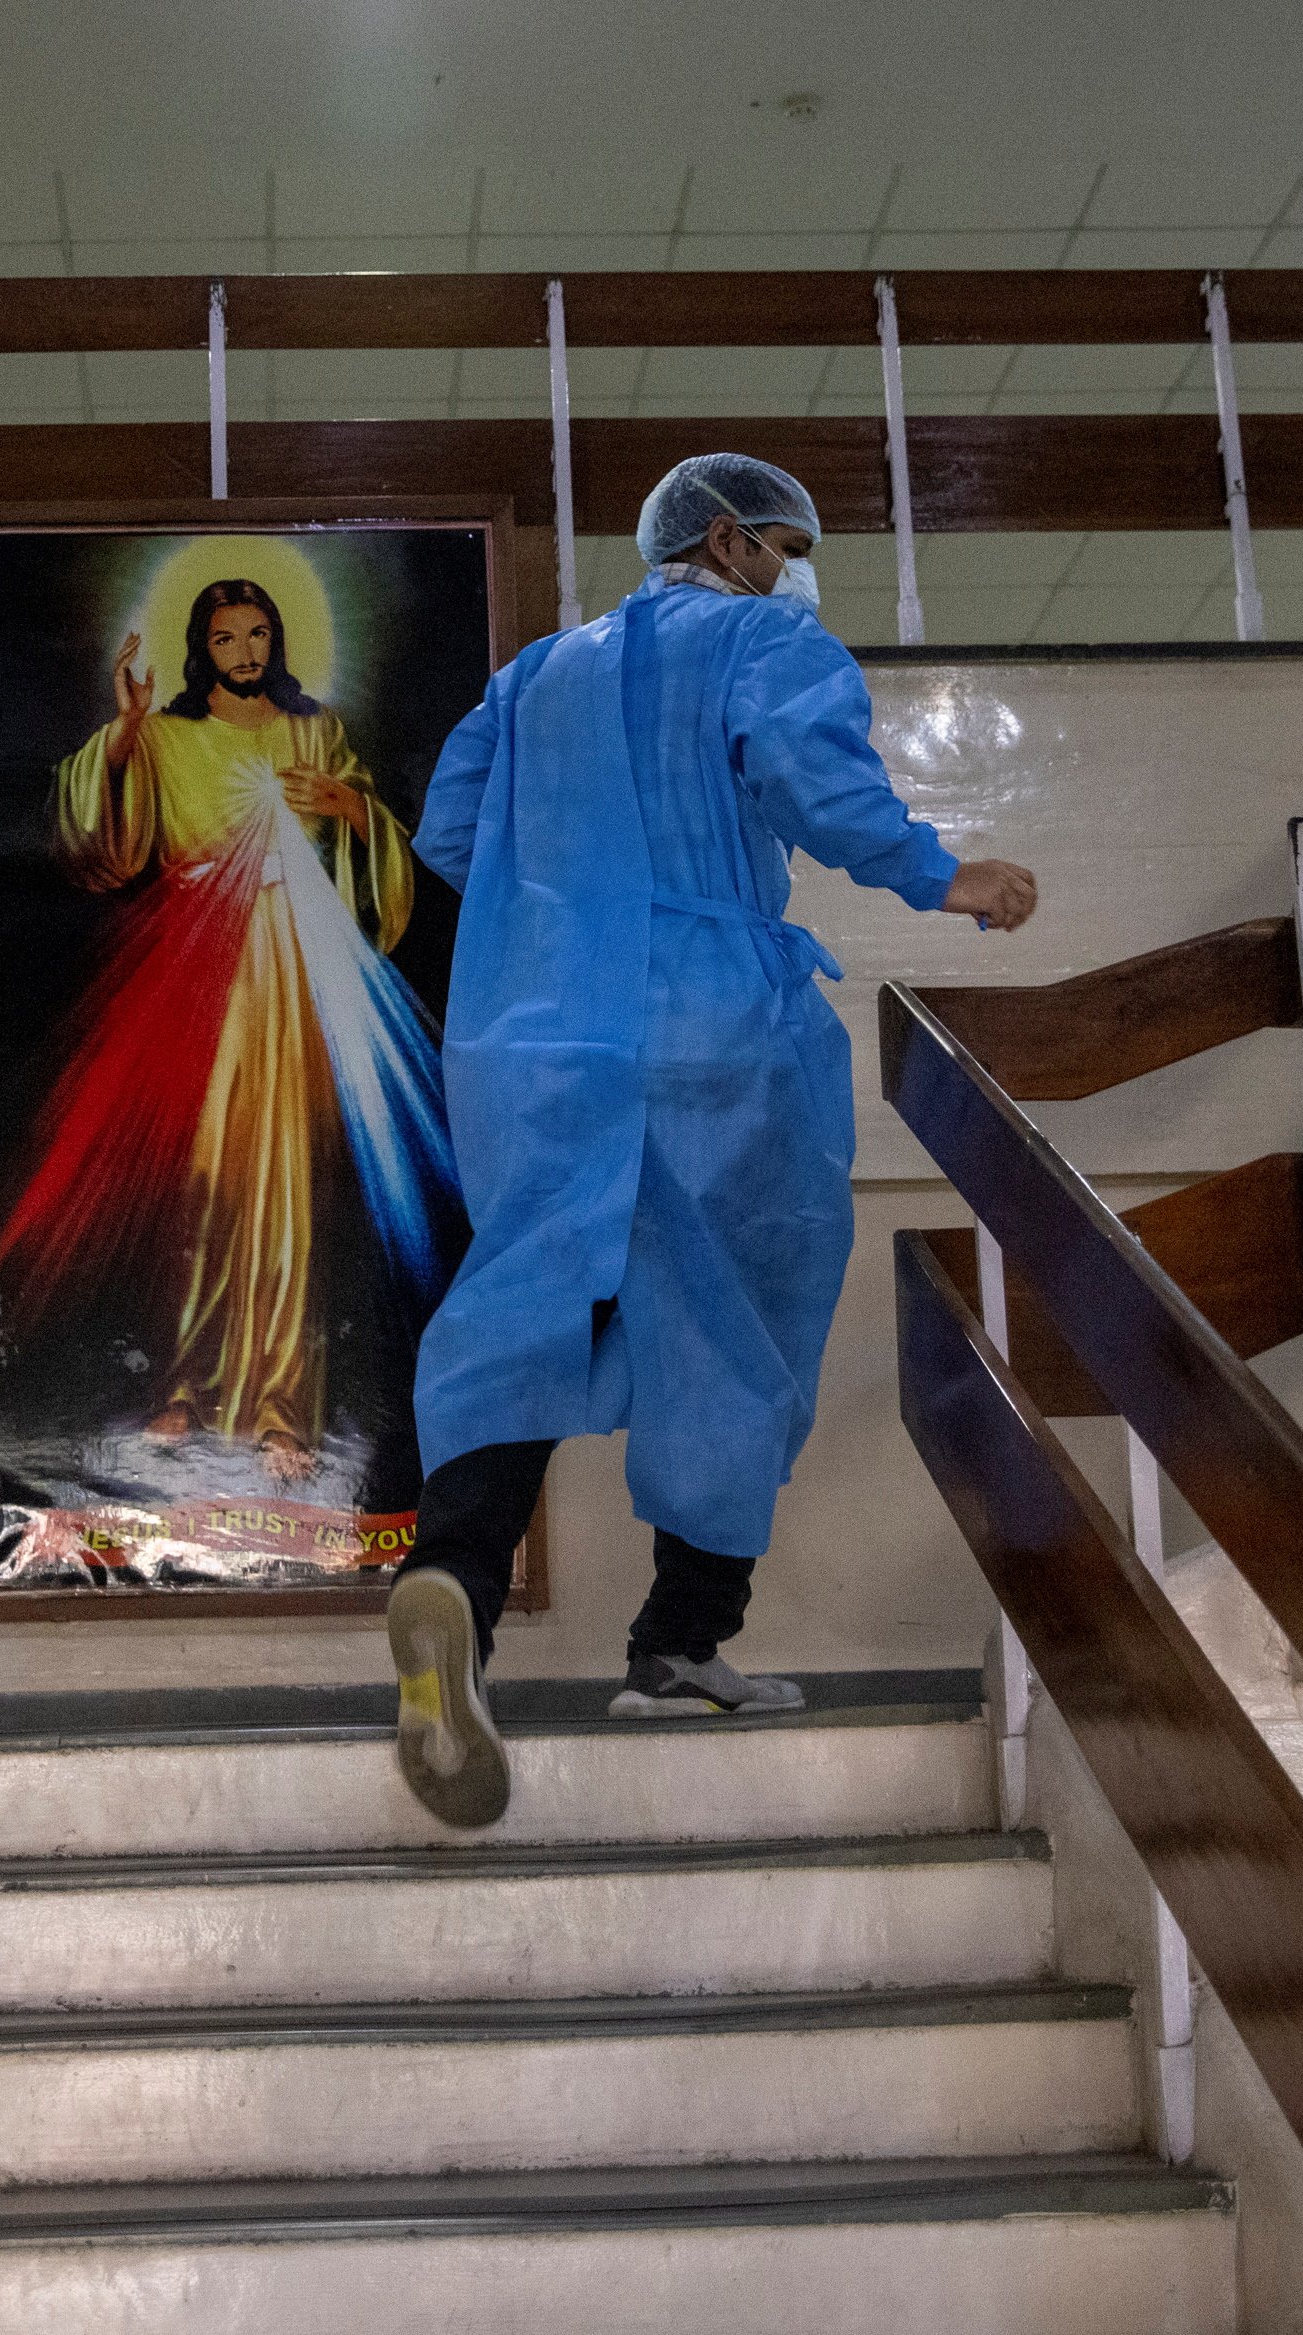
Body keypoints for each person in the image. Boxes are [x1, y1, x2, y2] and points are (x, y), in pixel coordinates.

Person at [383, 453, 1039, 1828]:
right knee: (740, 1314)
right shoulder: (765, 636)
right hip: (711, 1029)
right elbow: (817, 779)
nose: (800, 570)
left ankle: (453, 1576)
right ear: (733, 540)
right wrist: (944, 873)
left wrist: (568, 889)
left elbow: (448, 833)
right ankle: (679, 1643)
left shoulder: (534, 674)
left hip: (537, 1036)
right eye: (790, 542)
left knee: (521, 1304)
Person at [0, 576, 457, 1490]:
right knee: (197, 1183)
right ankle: (185, 1386)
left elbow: (382, 851)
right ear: (203, 648)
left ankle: (284, 1406)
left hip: (291, 969)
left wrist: (351, 809)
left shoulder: (313, 731)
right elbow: (99, 843)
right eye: (227, 636)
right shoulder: (164, 736)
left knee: (284, 1191)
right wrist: (124, 728)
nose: (246, 651)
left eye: (259, 634)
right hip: (194, 969)